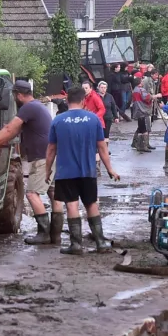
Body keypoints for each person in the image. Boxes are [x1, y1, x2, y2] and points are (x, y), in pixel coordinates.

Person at [46, 86, 120, 255]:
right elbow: (102, 147)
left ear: (67, 100)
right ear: (83, 100)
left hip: (65, 172)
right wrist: (110, 169)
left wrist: (47, 170)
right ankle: (101, 243)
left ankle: (76, 245)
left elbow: (51, 149)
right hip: (88, 171)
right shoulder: (93, 119)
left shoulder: (58, 121)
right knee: (91, 203)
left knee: (72, 204)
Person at [0, 80, 57, 245]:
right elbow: (12, 129)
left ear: (18, 95)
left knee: (31, 194)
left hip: (41, 158)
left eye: (14, 95)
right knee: (53, 193)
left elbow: (10, 129)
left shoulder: (28, 108)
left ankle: (44, 233)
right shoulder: (37, 106)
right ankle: (56, 233)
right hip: (49, 156)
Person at [130, 77, 156, 152]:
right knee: (145, 128)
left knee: (140, 127)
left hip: (138, 110)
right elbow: (147, 97)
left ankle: (137, 144)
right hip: (143, 110)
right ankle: (143, 145)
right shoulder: (141, 90)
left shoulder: (135, 90)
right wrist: (155, 96)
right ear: (140, 82)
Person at [98, 81, 120, 149]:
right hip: (99, 118)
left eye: (104, 88)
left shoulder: (109, 96)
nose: (103, 89)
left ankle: (105, 149)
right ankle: (99, 148)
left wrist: (116, 117)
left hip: (108, 117)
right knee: (99, 134)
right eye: (101, 87)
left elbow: (113, 107)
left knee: (106, 134)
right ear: (98, 88)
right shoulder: (96, 96)